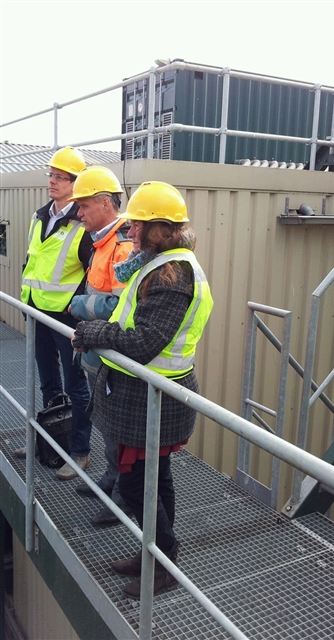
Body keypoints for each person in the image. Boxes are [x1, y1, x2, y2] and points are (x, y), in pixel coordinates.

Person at [71, 181, 213, 599]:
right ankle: (152, 554)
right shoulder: (160, 262)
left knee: (134, 484)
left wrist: (93, 331)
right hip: (145, 396)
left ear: (158, 229)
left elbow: (145, 342)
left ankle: (164, 557)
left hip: (155, 398)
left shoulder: (174, 275)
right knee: (156, 478)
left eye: (136, 225)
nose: (129, 230)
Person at [18, 147, 93, 480]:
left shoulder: (83, 222)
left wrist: (74, 306)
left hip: (65, 317)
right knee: (48, 380)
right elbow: (34, 262)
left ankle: (79, 453)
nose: (52, 181)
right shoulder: (40, 215)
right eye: (50, 174)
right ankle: (49, 440)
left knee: (76, 385)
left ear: (76, 184)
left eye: (60, 177)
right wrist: (27, 302)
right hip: (36, 310)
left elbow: (95, 276)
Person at [67, 165, 134, 524]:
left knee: (116, 429)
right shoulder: (103, 243)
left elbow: (119, 307)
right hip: (98, 354)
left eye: (84, 206)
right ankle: (110, 480)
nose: (79, 214)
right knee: (105, 425)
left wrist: (77, 306)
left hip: (112, 356)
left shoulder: (121, 246)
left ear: (106, 204)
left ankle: (122, 496)